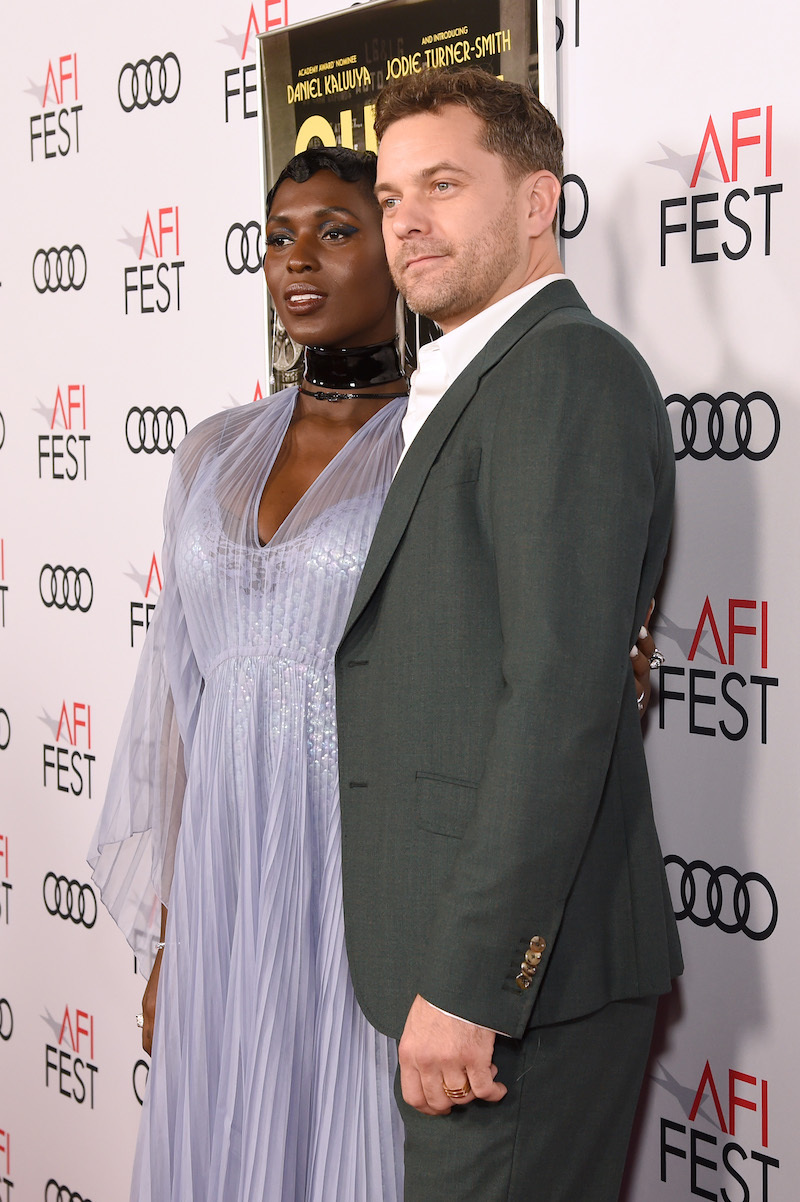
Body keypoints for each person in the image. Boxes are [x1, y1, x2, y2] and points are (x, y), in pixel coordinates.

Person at [334, 68, 683, 1202]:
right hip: (461, 961)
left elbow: (556, 702)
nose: (407, 222)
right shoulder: (481, 374)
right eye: (390, 197)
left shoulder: (564, 373)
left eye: (443, 184)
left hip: (517, 984)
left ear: (537, 202)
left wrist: (477, 980)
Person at [88, 146, 408, 1202]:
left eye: (334, 229)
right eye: (278, 235)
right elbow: (181, 694)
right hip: (225, 860)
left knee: (347, 1142)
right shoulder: (213, 450)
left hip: (355, 868)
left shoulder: (438, 447)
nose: (296, 259)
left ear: (400, 247)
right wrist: (174, 929)